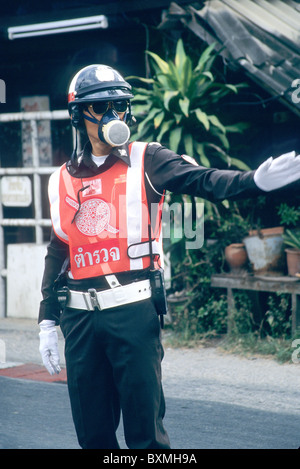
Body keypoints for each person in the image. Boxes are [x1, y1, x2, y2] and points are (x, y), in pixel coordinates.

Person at [38, 64, 300, 450]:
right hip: (79, 320)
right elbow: (59, 248)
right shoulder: (60, 177)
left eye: (120, 106)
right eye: (102, 107)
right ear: (79, 116)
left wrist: (254, 182)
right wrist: (47, 319)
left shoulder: (149, 160)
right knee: (93, 436)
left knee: (146, 437)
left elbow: (205, 180)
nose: (115, 116)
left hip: (132, 312)